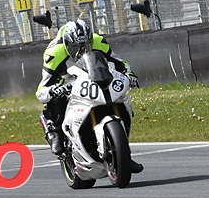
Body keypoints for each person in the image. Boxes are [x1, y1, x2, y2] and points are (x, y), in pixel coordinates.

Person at [36, 19, 143, 172]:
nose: (81, 50)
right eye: (75, 47)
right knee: (57, 101)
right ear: (67, 45)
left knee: (117, 98)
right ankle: (55, 131)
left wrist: (129, 74)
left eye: (85, 45)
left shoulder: (98, 42)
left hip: (91, 73)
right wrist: (54, 90)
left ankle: (123, 155)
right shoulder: (54, 54)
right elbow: (42, 90)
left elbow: (120, 63)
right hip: (66, 79)